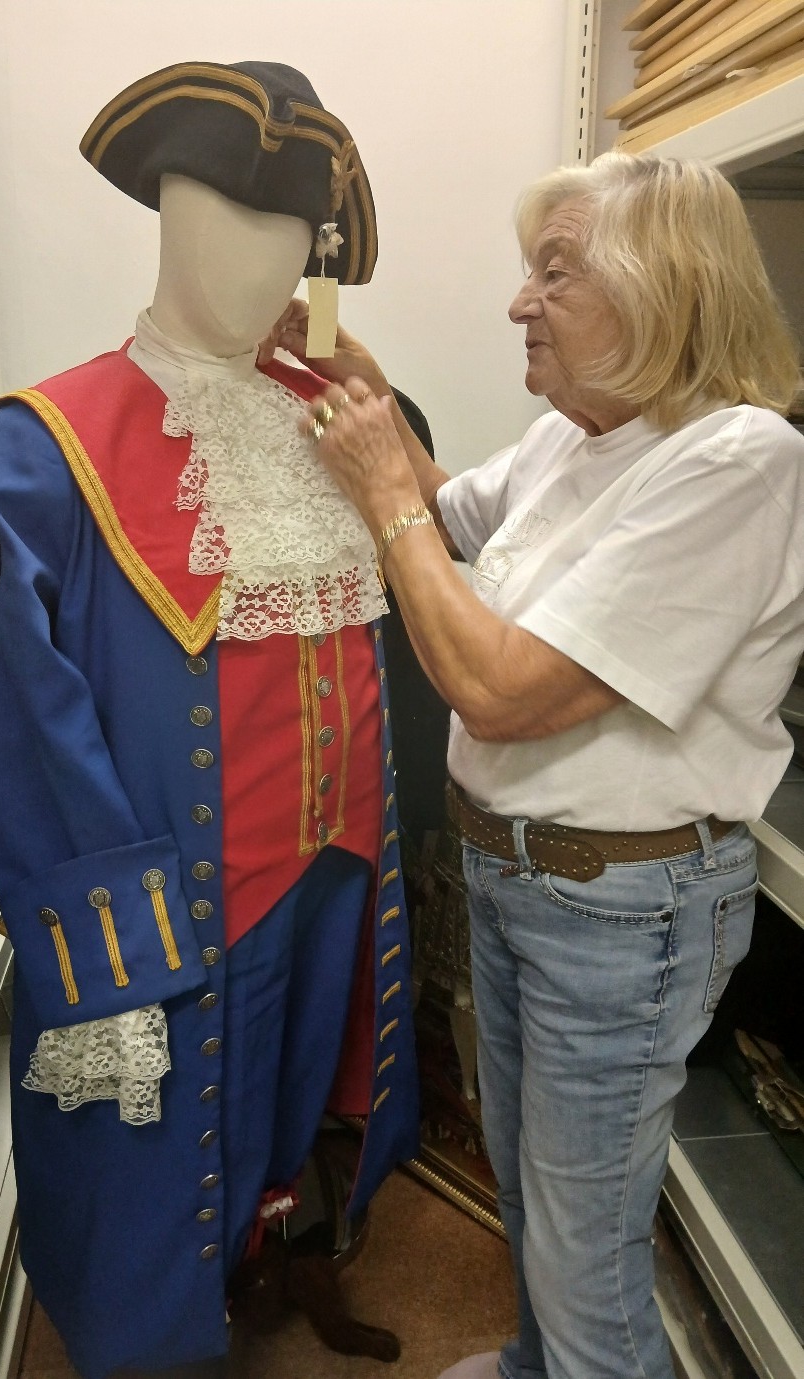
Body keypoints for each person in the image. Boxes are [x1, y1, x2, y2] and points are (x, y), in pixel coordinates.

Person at [275, 151, 804, 1379]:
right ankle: (531, 1367)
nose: (518, 301)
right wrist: (374, 394)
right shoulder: (582, 437)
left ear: (661, 285)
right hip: (524, 883)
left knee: (585, 1249)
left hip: (617, 913)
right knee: (532, 1193)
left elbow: (499, 688)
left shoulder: (736, 461)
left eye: (551, 272)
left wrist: (375, 494)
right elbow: (448, 509)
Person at [0, 61, 419, 1379]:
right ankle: (156, 1325)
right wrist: (107, 942)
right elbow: (27, 726)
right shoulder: (43, 442)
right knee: (156, 1146)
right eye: (230, 216)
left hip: (336, 863)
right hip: (181, 885)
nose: (265, 258)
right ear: (164, 212)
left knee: (299, 1092)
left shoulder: (330, 422)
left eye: (290, 231)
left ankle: (281, 1246)